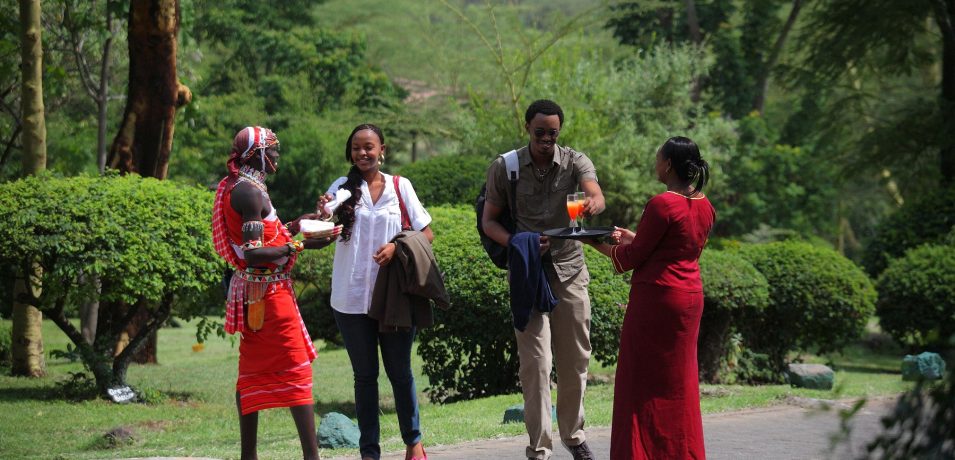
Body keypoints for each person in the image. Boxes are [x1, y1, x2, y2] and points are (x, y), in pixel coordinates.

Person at [481, 99, 605, 460]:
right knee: (536, 364)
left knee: (576, 359)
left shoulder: (575, 161)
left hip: (570, 270)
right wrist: (521, 243)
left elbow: (594, 192)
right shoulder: (506, 167)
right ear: (527, 129)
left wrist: (592, 204)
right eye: (540, 132)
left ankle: (574, 435)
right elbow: (489, 222)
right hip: (528, 273)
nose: (546, 139)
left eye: (553, 132)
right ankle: (539, 448)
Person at [585, 136, 715, 459]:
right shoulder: (704, 204)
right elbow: (681, 247)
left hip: (657, 299)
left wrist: (590, 241)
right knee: (679, 382)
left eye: (658, 158)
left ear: (668, 164)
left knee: (638, 382)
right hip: (689, 300)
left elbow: (632, 258)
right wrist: (634, 237)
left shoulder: (662, 204)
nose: (655, 163)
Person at [211, 126, 331, 460]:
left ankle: (249, 456)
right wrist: (301, 242)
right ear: (256, 154)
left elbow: (269, 233)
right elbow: (253, 253)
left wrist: (303, 223)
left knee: (251, 372)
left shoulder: (246, 186)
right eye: (272, 150)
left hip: (257, 292)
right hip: (269, 294)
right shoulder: (249, 192)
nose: (277, 155)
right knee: (296, 367)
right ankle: (311, 457)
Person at [318, 123, 433, 460]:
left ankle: (414, 443)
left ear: (383, 149)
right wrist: (322, 211)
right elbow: (323, 230)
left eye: (369, 147)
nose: (362, 153)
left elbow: (426, 233)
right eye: (356, 148)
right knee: (365, 377)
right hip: (350, 298)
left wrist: (397, 248)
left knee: (400, 372)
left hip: (393, 298)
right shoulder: (341, 188)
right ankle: (369, 452)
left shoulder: (401, 187)